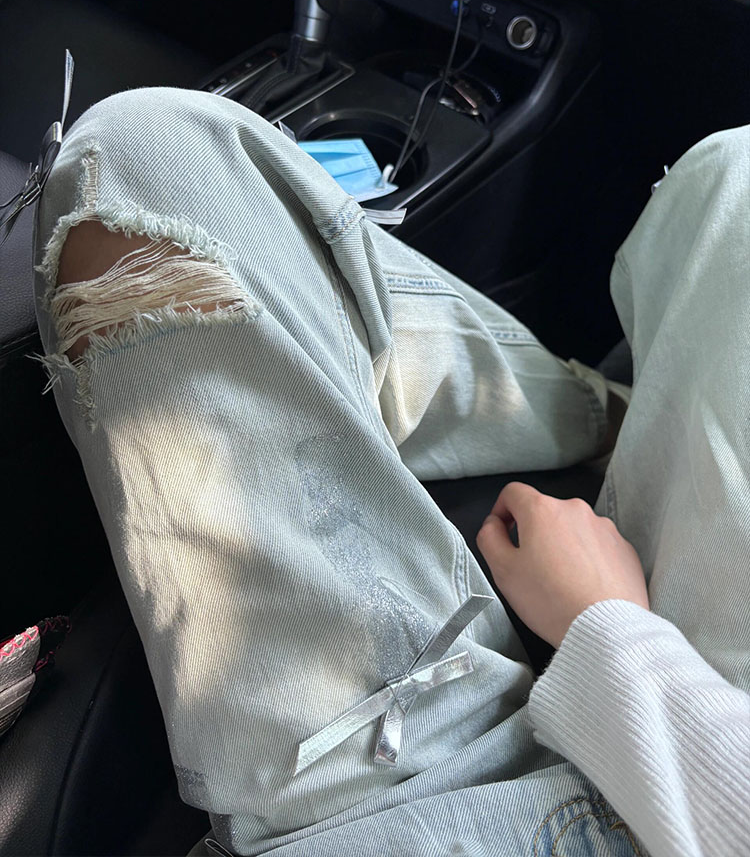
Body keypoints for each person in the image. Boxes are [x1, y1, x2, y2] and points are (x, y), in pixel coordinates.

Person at [34, 88, 749, 857]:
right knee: (151, 153)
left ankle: (603, 416)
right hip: (683, 743)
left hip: (393, 804)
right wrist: (617, 639)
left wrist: (604, 627)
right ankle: (601, 415)